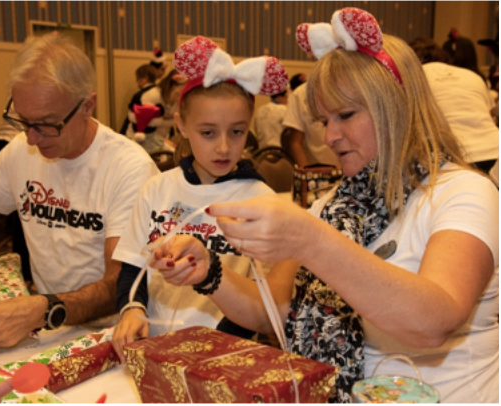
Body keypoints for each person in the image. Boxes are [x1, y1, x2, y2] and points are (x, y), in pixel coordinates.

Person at [147, 8, 498, 404]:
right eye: (323, 120)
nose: (330, 136)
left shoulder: (464, 191)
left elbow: (434, 321)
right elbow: (271, 312)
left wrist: (311, 241)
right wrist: (208, 270)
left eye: (345, 115)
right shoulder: (335, 204)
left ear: (396, 106)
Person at [0, 33, 159, 348]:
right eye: (23, 121)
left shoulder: (128, 167)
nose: (32, 139)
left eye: (47, 124)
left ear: (87, 105)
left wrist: (43, 309)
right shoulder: (20, 151)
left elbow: (119, 286)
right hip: (49, 325)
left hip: (116, 332)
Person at [111, 36, 288, 362]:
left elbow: (261, 302)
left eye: (237, 131)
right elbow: (132, 270)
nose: (223, 147)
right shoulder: (156, 189)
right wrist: (132, 309)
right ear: (181, 125)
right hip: (152, 350)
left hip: (221, 357)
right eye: (208, 133)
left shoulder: (261, 201)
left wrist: (209, 352)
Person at [409, 37, 499, 173]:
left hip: (457, 157)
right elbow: (491, 114)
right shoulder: (472, 75)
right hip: (495, 150)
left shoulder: (415, 77)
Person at [126, 69, 187, 153]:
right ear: (171, 86)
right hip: (141, 139)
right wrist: (162, 141)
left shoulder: (181, 101)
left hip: (160, 140)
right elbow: (143, 126)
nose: (181, 96)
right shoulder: (152, 96)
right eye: (179, 93)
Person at [281, 80, 339, 168]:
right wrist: (308, 174)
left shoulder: (354, 86)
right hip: (317, 170)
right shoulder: (301, 93)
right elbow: (295, 142)